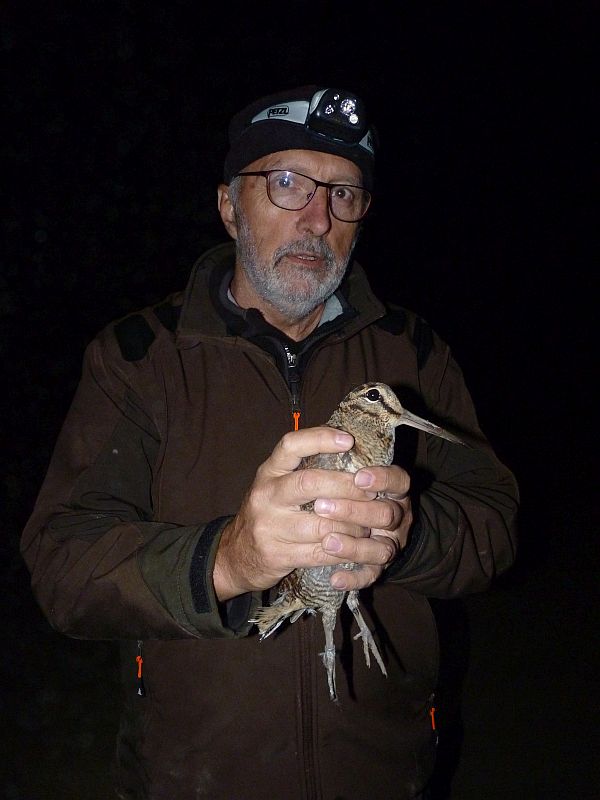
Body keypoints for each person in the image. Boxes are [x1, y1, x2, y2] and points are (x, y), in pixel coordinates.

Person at [21, 85, 519, 800]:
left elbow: (497, 525)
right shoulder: (138, 357)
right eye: (286, 183)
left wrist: (409, 532)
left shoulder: (414, 353)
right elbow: (62, 566)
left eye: (344, 193)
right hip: (196, 778)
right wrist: (226, 560)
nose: (317, 218)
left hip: (384, 773)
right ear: (228, 206)